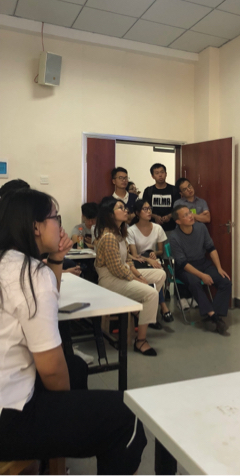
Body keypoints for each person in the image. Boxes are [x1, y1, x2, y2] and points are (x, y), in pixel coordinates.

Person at [0, 188, 147, 474]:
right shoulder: (30, 273)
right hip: (9, 417)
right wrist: (68, 405)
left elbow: (47, 301)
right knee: (127, 418)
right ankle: (62, 444)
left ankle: (57, 458)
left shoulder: (10, 263)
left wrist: (56, 258)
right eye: (55, 218)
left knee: (77, 367)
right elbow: (51, 369)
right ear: (35, 227)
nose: (61, 225)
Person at [94, 197, 165, 356]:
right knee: (151, 294)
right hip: (110, 280)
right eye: (121, 208)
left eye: (125, 207)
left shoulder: (119, 233)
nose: (126, 210)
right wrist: (137, 279)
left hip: (122, 274)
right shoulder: (108, 236)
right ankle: (140, 341)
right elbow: (116, 269)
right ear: (110, 214)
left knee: (160, 274)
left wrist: (138, 274)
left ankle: (139, 310)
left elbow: (127, 261)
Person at [169, 205, 232, 335]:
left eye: (189, 213)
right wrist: (202, 275)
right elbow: (183, 263)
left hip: (202, 263)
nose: (190, 216)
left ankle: (213, 314)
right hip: (185, 268)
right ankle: (215, 318)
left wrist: (219, 268)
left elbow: (211, 248)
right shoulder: (174, 236)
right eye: (185, 215)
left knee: (225, 282)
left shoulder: (201, 227)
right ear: (178, 221)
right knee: (195, 282)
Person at [128, 199, 174, 325]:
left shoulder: (158, 228)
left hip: (153, 259)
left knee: (157, 269)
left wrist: (155, 253)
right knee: (155, 271)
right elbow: (134, 254)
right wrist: (148, 259)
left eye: (149, 208)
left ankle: (154, 310)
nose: (149, 211)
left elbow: (160, 251)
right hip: (139, 261)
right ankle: (163, 307)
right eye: (145, 209)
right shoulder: (131, 230)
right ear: (137, 213)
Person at [142, 163, 180, 236]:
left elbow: (178, 208)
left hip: (171, 228)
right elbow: (144, 208)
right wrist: (155, 216)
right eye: (157, 173)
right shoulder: (148, 191)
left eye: (162, 172)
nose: (160, 175)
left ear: (166, 174)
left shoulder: (174, 190)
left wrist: (169, 216)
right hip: (152, 228)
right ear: (153, 176)